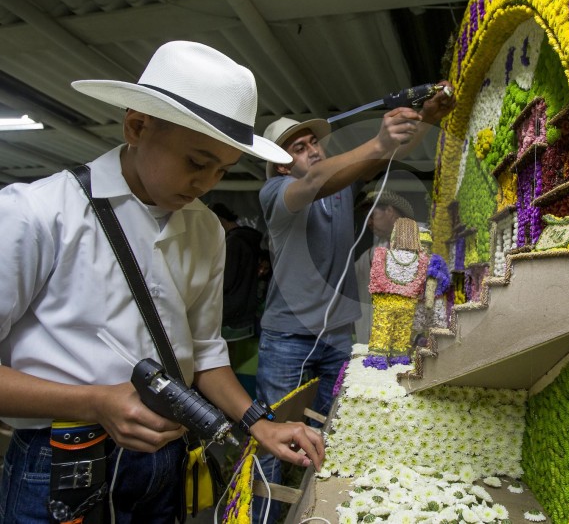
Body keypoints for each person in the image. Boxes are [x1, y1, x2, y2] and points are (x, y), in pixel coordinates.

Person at [0, 41, 324, 524]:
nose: (207, 183)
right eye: (196, 162)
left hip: (163, 464)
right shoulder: (37, 213)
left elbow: (205, 351)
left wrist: (260, 422)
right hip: (62, 463)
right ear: (136, 126)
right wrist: (96, 401)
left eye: (222, 170)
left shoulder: (205, 229)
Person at [256, 84, 455, 522]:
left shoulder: (340, 186)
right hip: (287, 336)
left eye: (313, 143)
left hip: (337, 334)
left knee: (334, 433)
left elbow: (382, 157)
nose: (311, 150)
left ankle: (317, 513)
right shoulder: (276, 194)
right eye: (297, 147)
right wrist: (381, 139)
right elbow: (313, 179)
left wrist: (427, 117)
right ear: (277, 165)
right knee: (272, 443)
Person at [364, 218, 429, 368]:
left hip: (385, 302)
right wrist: (406, 292)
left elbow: (376, 278)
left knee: (382, 330)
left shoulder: (381, 254)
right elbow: (419, 284)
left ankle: (378, 359)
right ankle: (399, 358)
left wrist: (381, 295)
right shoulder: (422, 259)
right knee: (402, 331)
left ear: (396, 235)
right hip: (408, 304)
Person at [353, 190, 415, 344]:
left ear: (389, 211)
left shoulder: (420, 243)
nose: (368, 223)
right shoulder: (372, 254)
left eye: (371, 216)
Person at [210, 202, 264, 340]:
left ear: (219, 220)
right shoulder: (253, 238)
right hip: (251, 308)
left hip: (233, 311)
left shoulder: (233, 243)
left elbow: (226, 280)